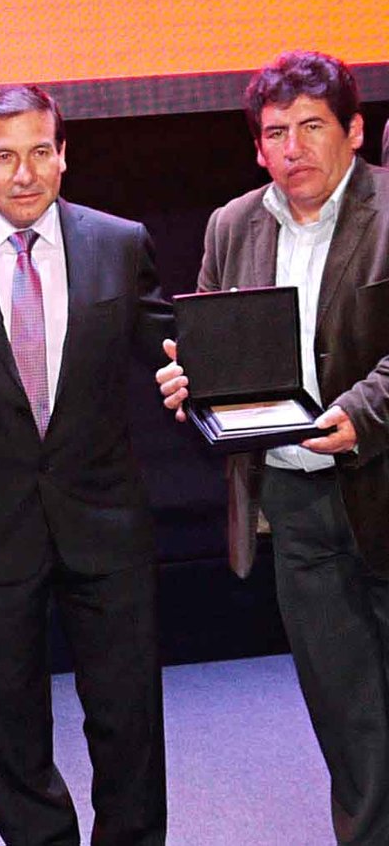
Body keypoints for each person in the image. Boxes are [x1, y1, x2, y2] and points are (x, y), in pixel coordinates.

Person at [0, 84, 173, 846]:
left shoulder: (120, 242)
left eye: (40, 152)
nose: (24, 174)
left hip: (106, 519)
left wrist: (199, 378)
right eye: (3, 156)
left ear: (63, 156)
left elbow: (171, 350)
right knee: (6, 723)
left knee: (128, 717)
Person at [158, 51, 389, 844]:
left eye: (313, 126)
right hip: (293, 503)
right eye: (276, 132)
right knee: (347, 718)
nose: (294, 148)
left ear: (353, 131)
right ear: (258, 148)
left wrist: (363, 412)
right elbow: (215, 345)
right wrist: (192, 382)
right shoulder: (231, 225)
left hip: (383, 482)